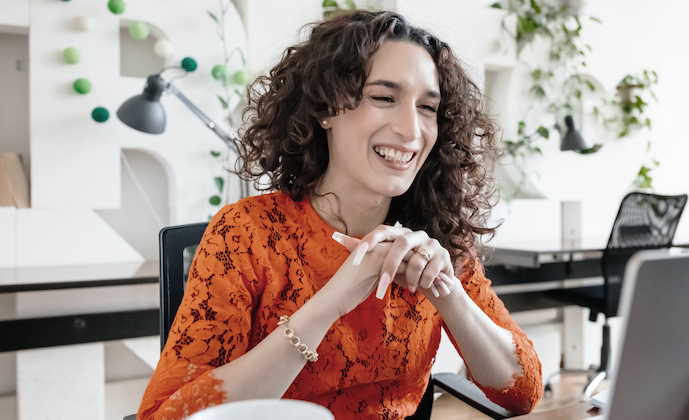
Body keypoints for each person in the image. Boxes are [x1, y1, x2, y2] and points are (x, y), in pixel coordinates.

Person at [137, 10, 543, 420]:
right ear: (324, 109)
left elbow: (523, 393)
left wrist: (446, 291)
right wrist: (330, 304)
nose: (411, 130)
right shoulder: (246, 234)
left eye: (427, 107)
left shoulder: (435, 235)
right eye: (384, 97)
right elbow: (166, 417)